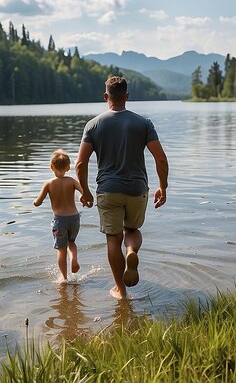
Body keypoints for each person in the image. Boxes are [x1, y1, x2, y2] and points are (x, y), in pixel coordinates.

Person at [75, 76, 169, 300]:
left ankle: (121, 290)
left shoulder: (93, 125)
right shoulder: (143, 123)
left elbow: (80, 163)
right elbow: (161, 159)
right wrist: (163, 187)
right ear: (127, 96)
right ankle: (131, 251)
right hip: (137, 189)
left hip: (108, 190)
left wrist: (86, 191)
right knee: (132, 231)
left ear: (106, 97)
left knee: (112, 239)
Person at [33, 149, 83, 281]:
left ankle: (64, 277)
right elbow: (84, 193)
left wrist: (34, 202)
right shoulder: (72, 181)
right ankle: (74, 259)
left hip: (59, 220)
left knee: (61, 249)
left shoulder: (48, 184)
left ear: (51, 167)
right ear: (68, 167)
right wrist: (84, 199)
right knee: (71, 243)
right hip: (74, 218)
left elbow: (38, 202)